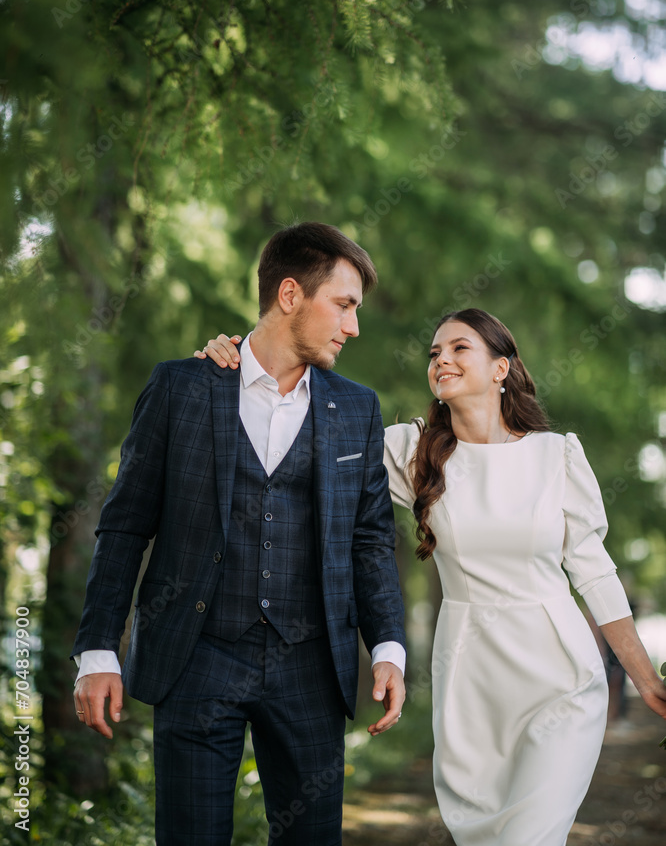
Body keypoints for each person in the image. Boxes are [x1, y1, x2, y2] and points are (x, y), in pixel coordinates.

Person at [202, 307, 666, 846]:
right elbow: (294, 430)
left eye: (460, 348)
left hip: (560, 676)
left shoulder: (555, 455)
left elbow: (595, 573)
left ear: (501, 368)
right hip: (472, 677)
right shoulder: (413, 450)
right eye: (434, 352)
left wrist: (644, 676)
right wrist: (236, 366)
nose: (442, 358)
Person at [71, 222, 406, 846]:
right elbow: (125, 524)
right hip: (196, 658)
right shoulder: (183, 386)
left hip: (312, 667)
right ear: (289, 295)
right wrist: (97, 650)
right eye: (344, 304)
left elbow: (369, 539)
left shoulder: (357, 408)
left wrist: (387, 645)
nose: (353, 327)